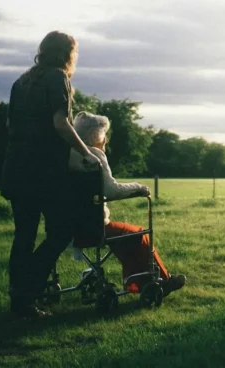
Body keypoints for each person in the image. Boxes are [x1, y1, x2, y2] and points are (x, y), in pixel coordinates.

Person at [0, 31, 101, 319]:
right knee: (60, 233)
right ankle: (28, 290)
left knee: (24, 236)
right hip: (43, 172)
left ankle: (20, 300)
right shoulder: (58, 78)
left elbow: (10, 124)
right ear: (67, 54)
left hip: (15, 168)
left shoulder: (21, 82)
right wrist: (86, 152)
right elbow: (61, 123)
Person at [68, 111, 186, 297]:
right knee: (139, 234)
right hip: (93, 226)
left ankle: (136, 283)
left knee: (124, 236)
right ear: (95, 136)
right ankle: (164, 280)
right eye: (104, 134)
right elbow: (111, 191)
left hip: (69, 226)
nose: (106, 139)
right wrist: (139, 188)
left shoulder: (68, 154)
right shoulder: (94, 155)